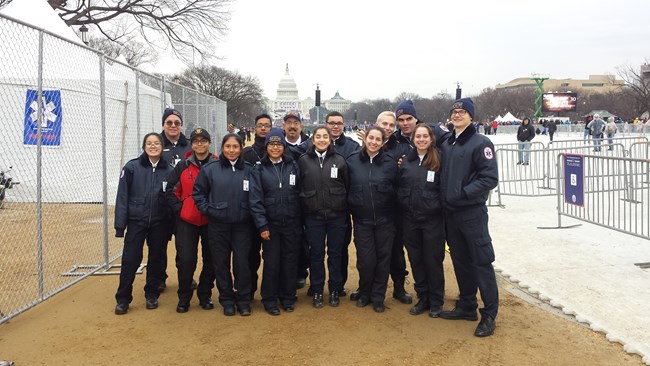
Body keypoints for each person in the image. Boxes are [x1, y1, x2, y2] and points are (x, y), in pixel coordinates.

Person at [439, 98, 499, 337]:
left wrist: (462, 193)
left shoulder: (480, 143)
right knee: (461, 261)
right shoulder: (447, 142)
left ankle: (490, 313)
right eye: (454, 111)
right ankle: (467, 305)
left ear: (471, 116)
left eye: (462, 112)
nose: (457, 115)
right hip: (450, 214)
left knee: (481, 262)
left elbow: (489, 178)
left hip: (471, 213)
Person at [193, 133, 255, 317]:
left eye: (235, 147)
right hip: (218, 225)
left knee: (242, 263)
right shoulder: (210, 169)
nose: (231, 150)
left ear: (241, 148)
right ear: (222, 148)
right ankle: (227, 299)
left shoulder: (250, 170)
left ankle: (243, 299)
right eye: (228, 146)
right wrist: (210, 210)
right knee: (220, 264)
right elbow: (199, 194)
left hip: (242, 226)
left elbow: (256, 195)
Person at [114, 132, 172, 315]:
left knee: (156, 258)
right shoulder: (132, 168)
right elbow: (122, 197)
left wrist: (171, 225)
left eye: (156, 143)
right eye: (149, 143)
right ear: (144, 146)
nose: (153, 146)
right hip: (137, 221)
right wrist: (120, 226)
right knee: (130, 259)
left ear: (162, 146)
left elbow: (172, 199)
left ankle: (151, 293)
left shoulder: (170, 170)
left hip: (159, 222)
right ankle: (123, 298)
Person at [249, 128, 302, 315]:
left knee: (289, 261)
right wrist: (262, 225)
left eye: (279, 144)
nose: (275, 147)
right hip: (270, 224)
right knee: (271, 262)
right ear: (266, 146)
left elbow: (299, 194)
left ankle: (287, 297)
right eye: (272, 144)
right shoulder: (258, 169)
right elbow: (255, 200)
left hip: (291, 223)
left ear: (284, 146)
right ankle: (269, 299)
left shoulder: (293, 166)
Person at [164, 127, 217, 313]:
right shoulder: (183, 165)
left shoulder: (217, 164)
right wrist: (182, 209)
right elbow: (170, 191)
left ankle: (205, 294)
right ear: (191, 144)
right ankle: (184, 296)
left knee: (211, 259)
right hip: (187, 220)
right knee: (186, 260)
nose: (200, 144)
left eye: (203, 140)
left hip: (211, 220)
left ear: (209, 143)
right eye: (196, 141)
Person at [346, 127, 399, 313]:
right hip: (362, 220)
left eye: (378, 139)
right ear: (365, 139)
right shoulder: (352, 161)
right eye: (371, 138)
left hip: (385, 220)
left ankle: (378, 296)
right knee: (366, 260)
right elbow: (346, 187)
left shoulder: (390, 163)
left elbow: (397, 188)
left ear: (383, 142)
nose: (374, 142)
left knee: (383, 260)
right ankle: (365, 292)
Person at [298, 126, 350, 308]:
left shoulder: (340, 160)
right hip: (313, 216)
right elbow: (299, 186)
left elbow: (346, 185)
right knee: (316, 254)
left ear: (330, 140)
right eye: (318, 137)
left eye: (325, 137)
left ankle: (335, 289)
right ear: (313, 140)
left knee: (335, 254)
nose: (321, 140)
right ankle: (317, 289)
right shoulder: (303, 160)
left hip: (336, 215)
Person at [398, 123, 445, 318]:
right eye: (418, 136)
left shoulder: (439, 159)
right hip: (410, 220)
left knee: (432, 261)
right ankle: (422, 296)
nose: (422, 139)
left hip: (432, 220)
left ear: (431, 138)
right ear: (413, 139)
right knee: (416, 260)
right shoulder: (407, 162)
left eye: (425, 136)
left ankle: (436, 299)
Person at [324, 112, 359, 297]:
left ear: (344, 125)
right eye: (332, 123)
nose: (335, 126)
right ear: (326, 124)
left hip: (341, 208)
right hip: (317, 207)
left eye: (339, 123)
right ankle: (317, 283)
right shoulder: (314, 144)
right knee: (316, 249)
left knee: (339, 249)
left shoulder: (353, 147)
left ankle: (338, 284)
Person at [159, 108, 193, 292]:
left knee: (183, 245)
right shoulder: (155, 143)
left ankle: (185, 278)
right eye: (169, 123)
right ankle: (159, 277)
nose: (173, 126)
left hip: (182, 204)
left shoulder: (188, 145)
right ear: (163, 124)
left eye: (177, 123)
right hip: (161, 202)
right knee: (159, 245)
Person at [242, 114, 274, 300]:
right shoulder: (247, 153)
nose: (263, 129)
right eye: (260, 125)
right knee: (250, 256)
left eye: (267, 125)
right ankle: (249, 290)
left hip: (272, 214)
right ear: (254, 128)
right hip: (250, 214)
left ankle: (271, 291)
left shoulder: (278, 151)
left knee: (271, 256)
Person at [281, 113, 311, 289]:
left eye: (296, 123)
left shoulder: (310, 145)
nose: (292, 126)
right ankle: (287, 275)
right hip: (285, 201)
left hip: (306, 200)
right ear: (284, 125)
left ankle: (302, 272)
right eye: (289, 123)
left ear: (301, 125)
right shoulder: (277, 145)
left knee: (305, 241)